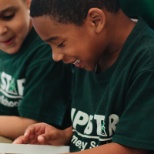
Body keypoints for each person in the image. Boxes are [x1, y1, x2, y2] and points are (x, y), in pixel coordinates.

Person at [14, 0, 154, 153]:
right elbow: (106, 124)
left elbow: (133, 148)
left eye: (60, 44)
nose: (56, 56)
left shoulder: (147, 62)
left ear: (96, 20)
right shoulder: (88, 54)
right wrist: (65, 135)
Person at [0, 0, 72, 142]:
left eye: (8, 16)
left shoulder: (46, 54)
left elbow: (32, 126)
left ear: (28, 2)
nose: (1, 30)